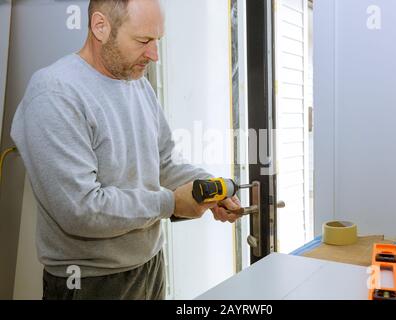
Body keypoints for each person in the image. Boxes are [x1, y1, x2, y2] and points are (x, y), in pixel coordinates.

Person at [10, 0, 241, 300]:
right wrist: (170, 203)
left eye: (157, 41)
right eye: (143, 41)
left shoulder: (136, 84)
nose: (154, 55)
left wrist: (208, 187)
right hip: (89, 283)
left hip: (149, 267)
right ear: (100, 27)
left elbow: (164, 162)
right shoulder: (54, 94)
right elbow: (81, 210)